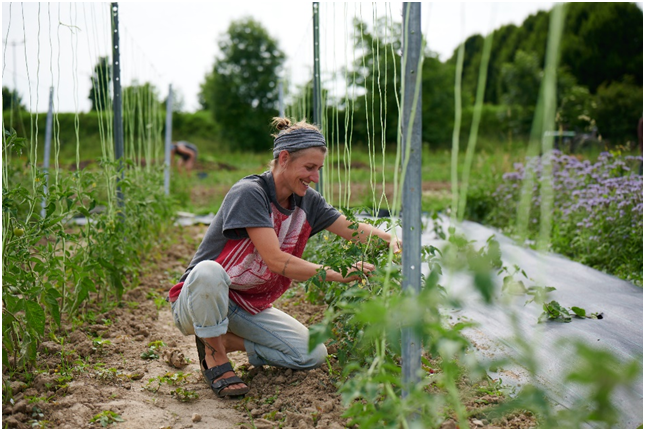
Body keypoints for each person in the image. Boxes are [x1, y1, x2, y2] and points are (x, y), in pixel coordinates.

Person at [167, 117, 400, 398]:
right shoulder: (251, 193)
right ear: (285, 158)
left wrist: (391, 240)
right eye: (309, 167)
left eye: (319, 169)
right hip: (196, 301)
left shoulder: (307, 200)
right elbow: (275, 260)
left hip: (244, 305)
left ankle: (222, 340)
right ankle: (214, 357)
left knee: (312, 354)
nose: (315, 177)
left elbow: (353, 230)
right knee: (208, 271)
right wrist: (338, 272)